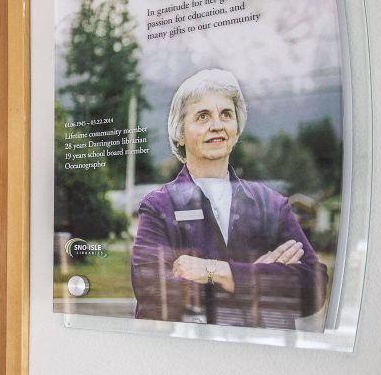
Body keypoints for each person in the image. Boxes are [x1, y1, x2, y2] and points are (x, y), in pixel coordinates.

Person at [131, 69, 328, 328]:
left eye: (226, 114)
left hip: (262, 358)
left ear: (237, 127)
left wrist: (219, 272)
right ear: (179, 132)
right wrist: (261, 278)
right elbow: (156, 294)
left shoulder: (272, 204)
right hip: (185, 359)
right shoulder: (158, 206)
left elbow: (314, 286)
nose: (217, 125)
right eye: (203, 116)